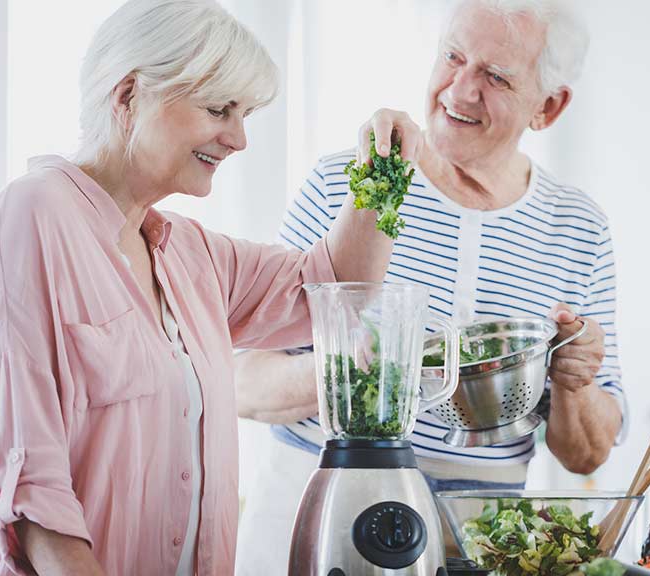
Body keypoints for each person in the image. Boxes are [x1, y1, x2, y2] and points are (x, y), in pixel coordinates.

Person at [0, 1, 394, 574]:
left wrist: (383, 175)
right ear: (128, 97)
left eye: (244, 114)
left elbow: (337, 290)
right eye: (220, 109)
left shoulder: (192, 254)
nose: (239, 139)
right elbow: (30, 494)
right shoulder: (33, 217)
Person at [234, 0, 628, 573]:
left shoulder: (578, 228)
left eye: (495, 77)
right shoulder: (356, 183)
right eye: (453, 57)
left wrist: (575, 383)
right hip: (315, 514)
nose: (460, 91)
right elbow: (242, 381)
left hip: (479, 539)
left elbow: (588, 451)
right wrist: (351, 370)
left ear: (548, 106)